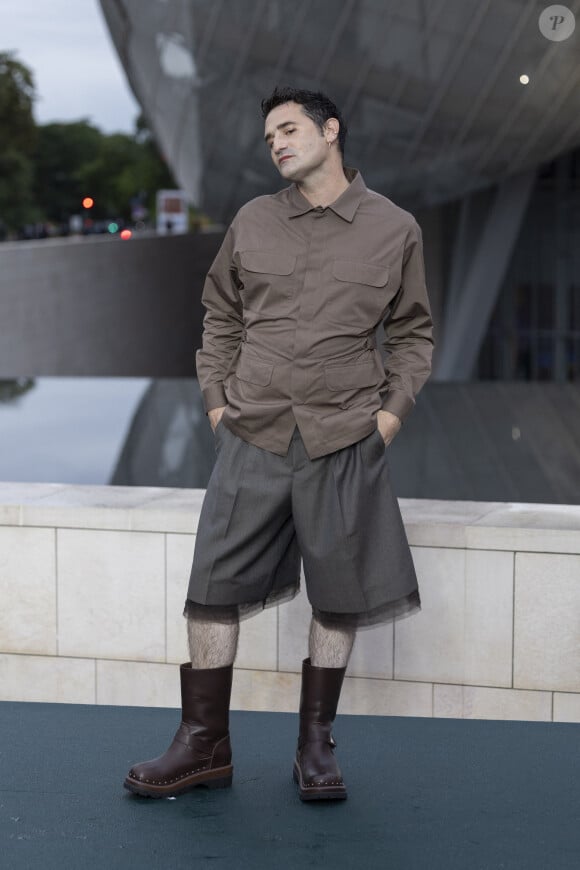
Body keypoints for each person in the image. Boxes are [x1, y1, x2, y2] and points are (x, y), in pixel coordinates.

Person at [124, 86, 434, 802]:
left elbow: (413, 333)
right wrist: (215, 405)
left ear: (331, 131)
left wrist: (388, 418)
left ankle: (315, 746)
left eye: (289, 130)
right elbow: (219, 315)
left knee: (340, 595)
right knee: (210, 589)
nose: (278, 144)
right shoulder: (254, 221)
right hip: (253, 432)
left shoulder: (395, 228)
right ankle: (203, 744)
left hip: (345, 437)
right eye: (269, 137)